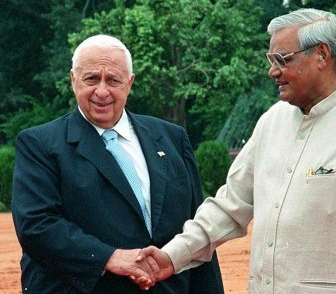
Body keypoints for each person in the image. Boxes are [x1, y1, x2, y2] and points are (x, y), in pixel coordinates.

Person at [135, 8, 336, 293]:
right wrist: (171, 256)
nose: (272, 71)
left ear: (322, 55)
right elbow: (229, 206)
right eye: (271, 59)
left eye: (282, 59)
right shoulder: (271, 122)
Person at [12, 34, 224, 294]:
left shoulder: (172, 138)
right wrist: (109, 257)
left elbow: (196, 228)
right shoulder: (40, 144)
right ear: (73, 79)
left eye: (113, 80)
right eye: (91, 79)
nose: (102, 91)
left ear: (130, 82)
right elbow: (37, 226)